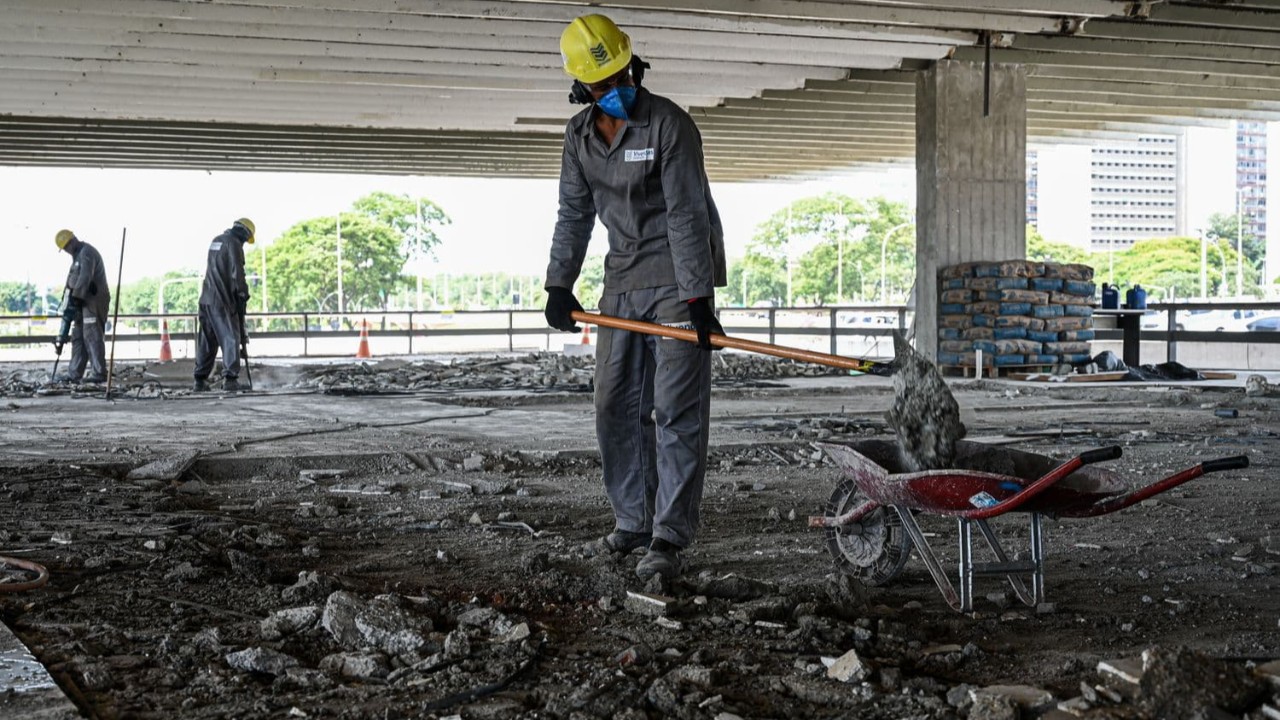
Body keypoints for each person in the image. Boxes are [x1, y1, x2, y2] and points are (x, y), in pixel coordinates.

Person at [544, 14, 727, 581]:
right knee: (614, 406)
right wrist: (558, 282)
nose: (618, 89)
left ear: (632, 64)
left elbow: (685, 214)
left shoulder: (670, 125)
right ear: (582, 88)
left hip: (677, 278)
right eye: (603, 85)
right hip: (621, 281)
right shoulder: (578, 138)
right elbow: (574, 215)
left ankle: (669, 536)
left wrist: (698, 299)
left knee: (675, 410)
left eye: (622, 75)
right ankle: (633, 520)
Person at [194, 218, 254, 392]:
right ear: (244, 233)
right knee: (231, 337)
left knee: (207, 341)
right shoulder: (233, 244)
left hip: (206, 299)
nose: (245, 243)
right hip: (222, 301)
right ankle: (230, 379)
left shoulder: (217, 240)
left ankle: (200, 380)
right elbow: (237, 272)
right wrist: (242, 294)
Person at [54, 229, 111, 384]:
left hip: (93, 300)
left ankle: (99, 373)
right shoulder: (76, 257)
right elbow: (72, 281)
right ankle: (74, 373)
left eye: (66, 247)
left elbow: (85, 277)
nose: (66, 251)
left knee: (92, 334)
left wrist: (77, 297)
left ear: (72, 241)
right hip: (80, 300)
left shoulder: (86, 253)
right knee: (78, 335)